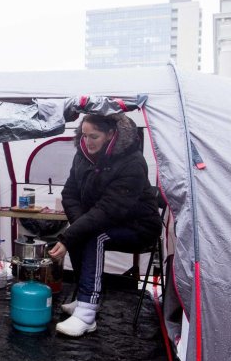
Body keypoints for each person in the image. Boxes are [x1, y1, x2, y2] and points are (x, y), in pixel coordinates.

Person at [47, 112, 162, 337]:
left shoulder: (132, 163)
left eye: (94, 137)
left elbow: (109, 210)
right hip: (105, 220)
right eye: (84, 135)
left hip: (139, 226)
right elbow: (69, 193)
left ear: (111, 134)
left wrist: (71, 235)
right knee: (85, 231)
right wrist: (78, 226)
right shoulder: (82, 155)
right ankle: (84, 297)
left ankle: (88, 313)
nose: (87, 142)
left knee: (92, 236)